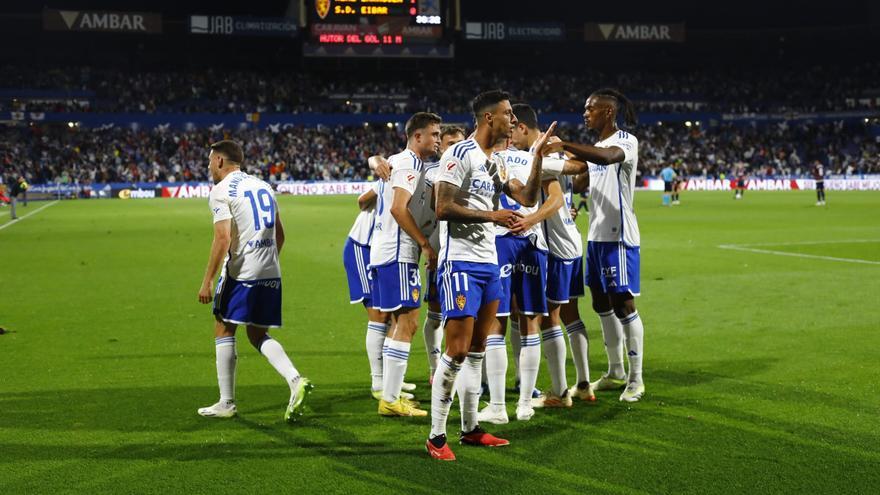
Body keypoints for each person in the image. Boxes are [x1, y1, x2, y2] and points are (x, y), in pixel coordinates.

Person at [426, 88, 555, 460]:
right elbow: (443, 207)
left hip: (487, 263)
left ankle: (470, 429)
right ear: (488, 118)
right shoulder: (458, 154)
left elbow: (527, 198)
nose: (513, 120)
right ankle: (436, 436)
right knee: (457, 349)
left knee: (479, 350)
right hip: (460, 263)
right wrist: (492, 216)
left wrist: (538, 159)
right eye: (508, 113)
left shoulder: (496, 162)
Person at [197, 140, 312, 422]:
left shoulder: (221, 191)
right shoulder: (263, 185)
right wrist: (267, 263)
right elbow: (280, 235)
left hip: (242, 272)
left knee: (224, 327)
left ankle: (227, 402)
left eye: (210, 160)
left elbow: (223, 238)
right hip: (270, 270)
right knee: (257, 334)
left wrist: (207, 281)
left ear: (221, 162)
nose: (209, 166)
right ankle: (295, 380)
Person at [543, 88, 646, 403]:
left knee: (624, 304)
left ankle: (636, 379)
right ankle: (615, 371)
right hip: (597, 237)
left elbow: (608, 158)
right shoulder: (596, 147)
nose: (585, 113)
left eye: (590, 109)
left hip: (618, 236)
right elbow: (583, 181)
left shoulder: (623, 141)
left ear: (608, 112)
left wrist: (565, 145)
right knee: (601, 304)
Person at [369, 112, 442, 417]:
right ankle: (390, 400)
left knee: (400, 323)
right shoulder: (410, 162)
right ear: (417, 137)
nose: (437, 139)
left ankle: (391, 394)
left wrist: (374, 159)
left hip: (387, 251)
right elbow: (399, 208)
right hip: (399, 251)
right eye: (434, 134)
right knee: (409, 322)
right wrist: (425, 244)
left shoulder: (402, 162)